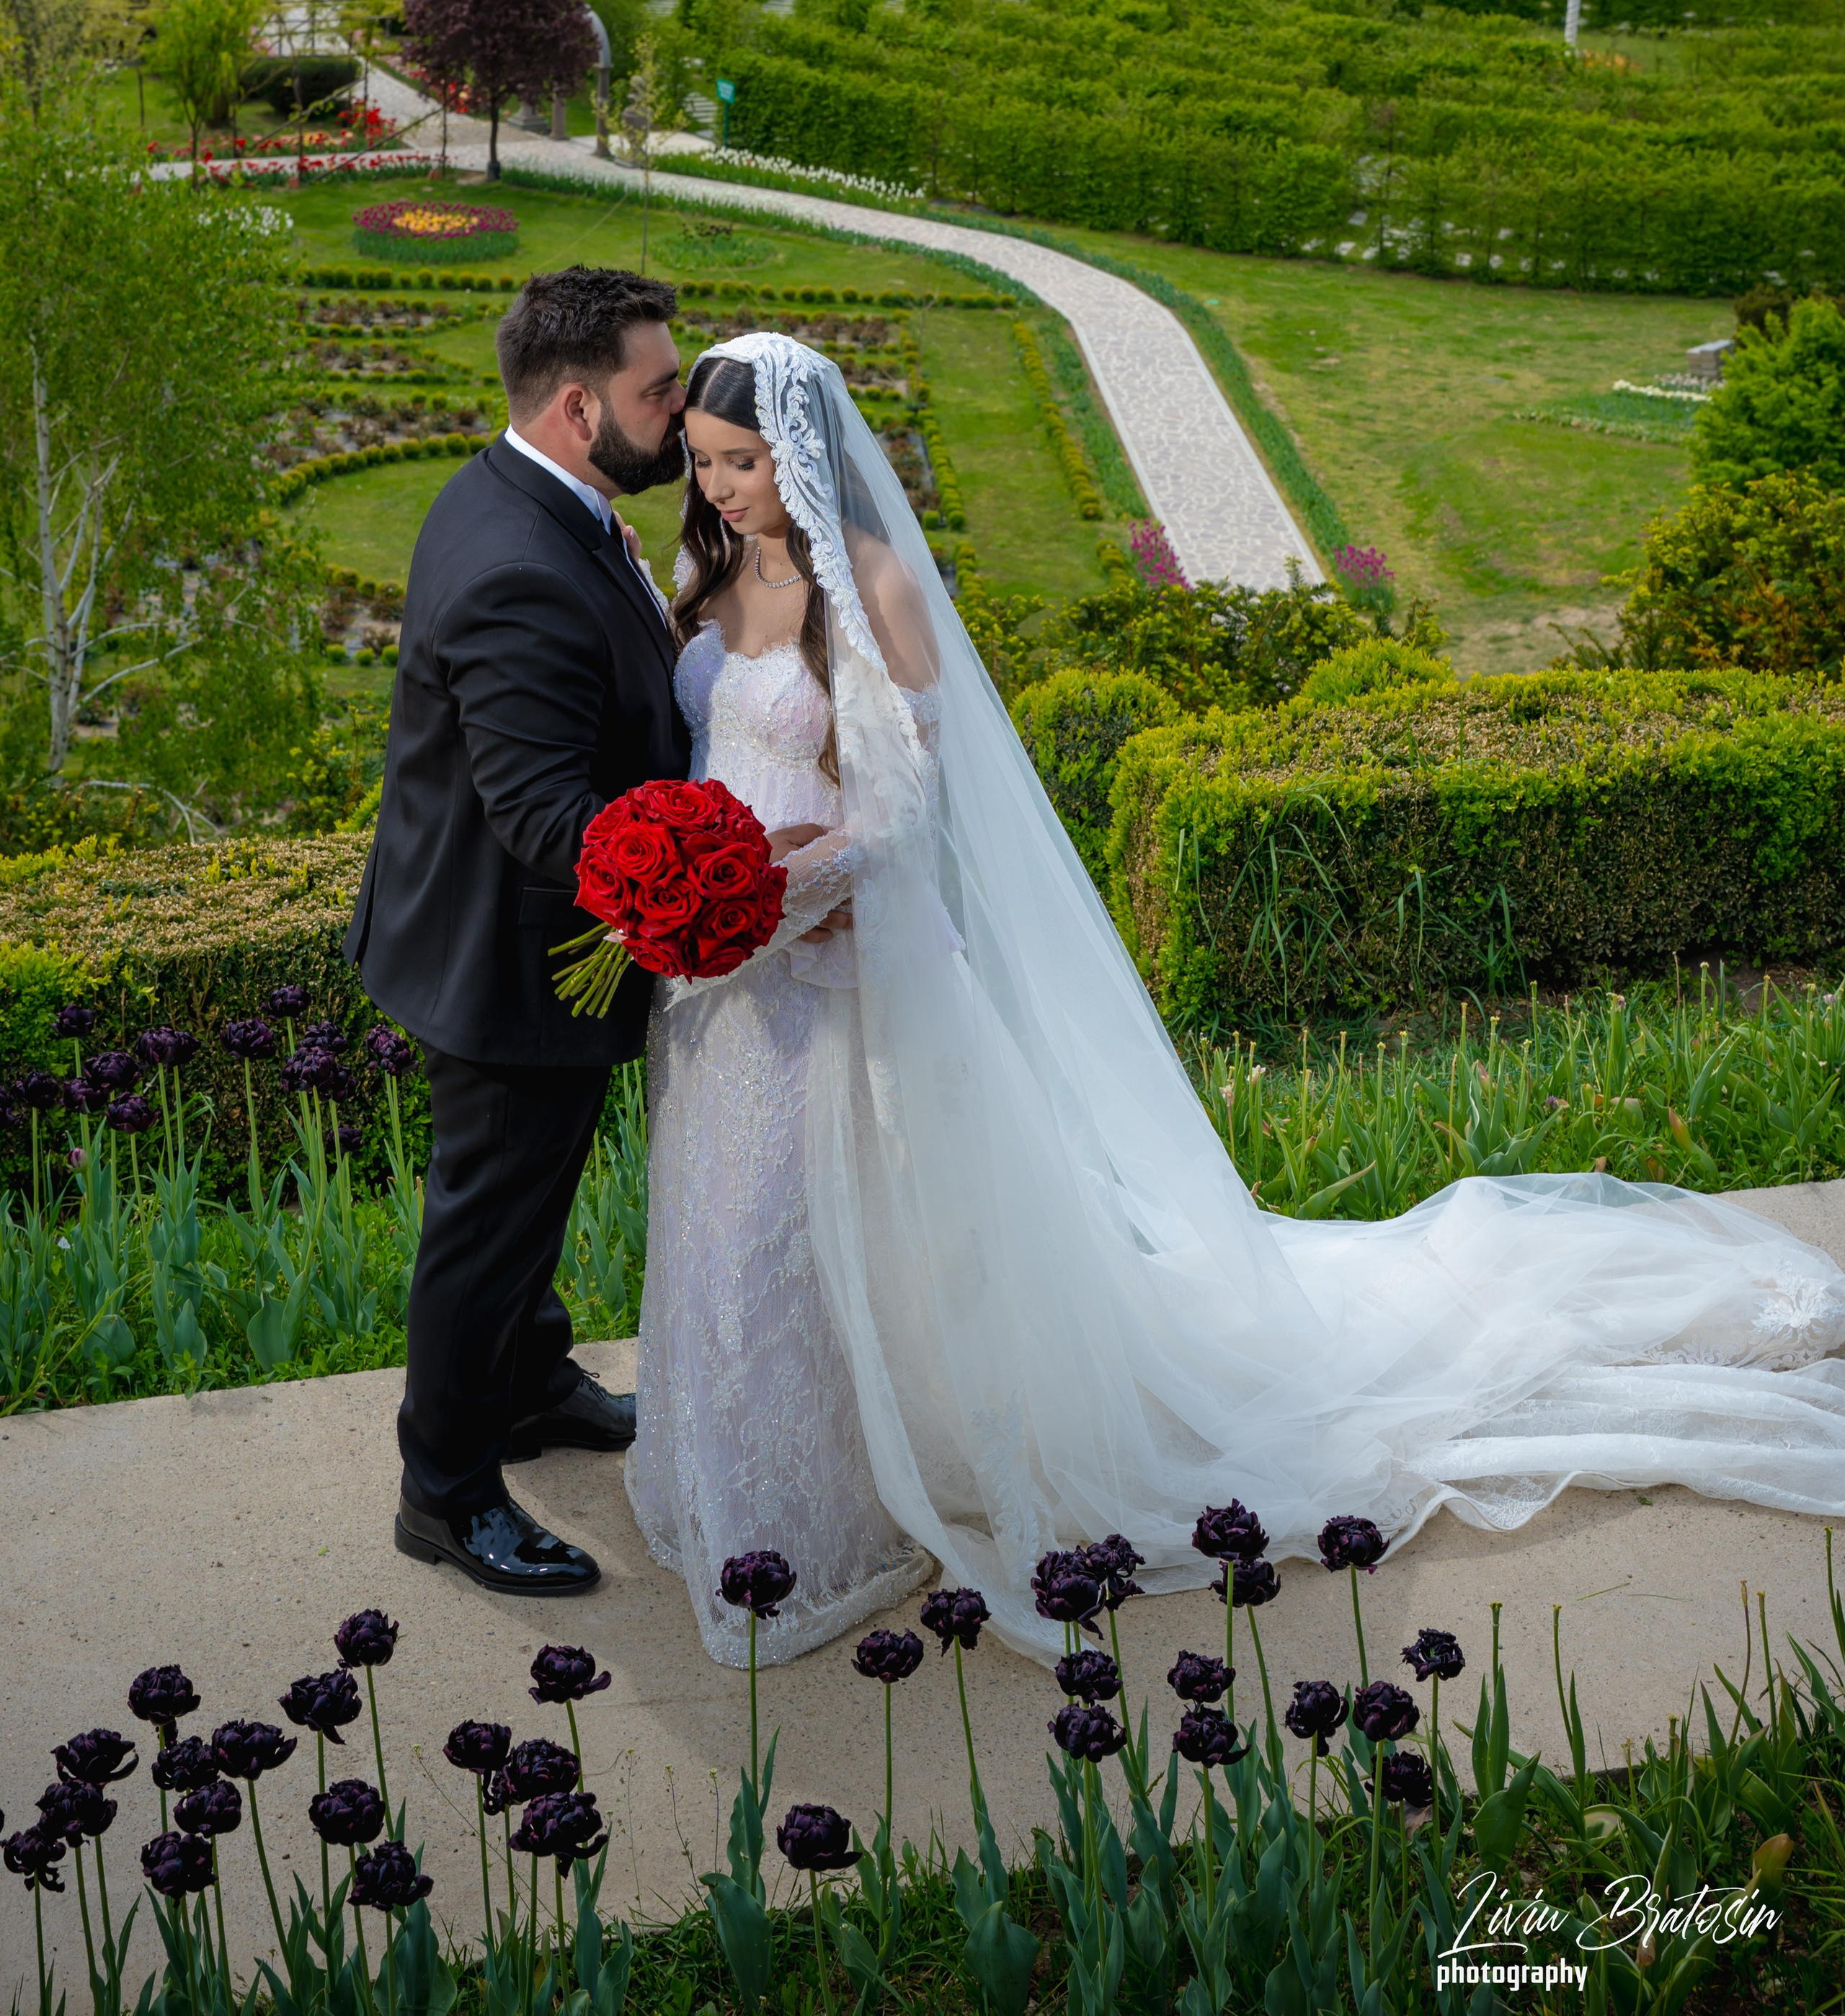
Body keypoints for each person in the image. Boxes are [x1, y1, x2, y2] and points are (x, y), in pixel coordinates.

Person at [630, 329, 1845, 1665]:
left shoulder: (872, 588)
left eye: (742, 461)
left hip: (834, 970)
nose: (722, 484)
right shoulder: (710, 571)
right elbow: (715, 750)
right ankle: (748, 1488)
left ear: (804, 455)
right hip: (720, 982)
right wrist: (682, 877)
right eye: (704, 461)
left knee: (811, 1245)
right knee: (734, 1244)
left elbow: (911, 818)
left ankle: (840, 1512)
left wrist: (775, 884)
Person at [347, 266, 691, 1595]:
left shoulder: (521, 490)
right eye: (656, 391)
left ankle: (534, 1380)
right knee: (487, 1225)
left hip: (486, 936)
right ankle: (443, 1489)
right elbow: (548, 815)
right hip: (507, 967)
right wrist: (704, 863)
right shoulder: (519, 569)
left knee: (530, 1203)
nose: (674, 409)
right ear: (571, 405)